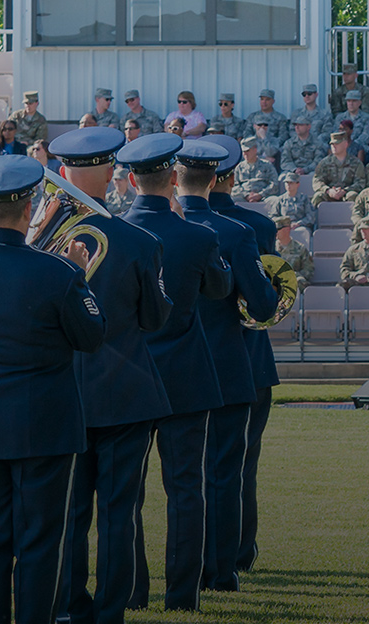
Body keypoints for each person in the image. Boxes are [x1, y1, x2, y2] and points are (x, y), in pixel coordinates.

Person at [0, 154, 106, 624]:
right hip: (42, 427)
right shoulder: (57, 273)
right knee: (39, 546)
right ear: (31, 207)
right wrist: (79, 275)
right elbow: (91, 338)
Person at [45, 127, 175, 624]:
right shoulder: (141, 241)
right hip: (127, 396)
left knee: (69, 515)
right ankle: (110, 612)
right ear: (111, 173)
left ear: (62, 175)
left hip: (65, 397)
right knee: (120, 515)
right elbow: (155, 319)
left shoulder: (40, 245)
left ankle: (68, 608)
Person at [117, 133, 234, 611]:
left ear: (130, 180)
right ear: (171, 179)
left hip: (131, 375)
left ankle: (133, 591)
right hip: (186, 374)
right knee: (187, 489)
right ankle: (182, 596)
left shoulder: (115, 232)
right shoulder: (200, 235)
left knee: (128, 493)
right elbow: (221, 288)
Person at [178, 137, 279, 594]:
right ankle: (231, 557)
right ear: (228, 177)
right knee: (235, 467)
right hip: (238, 358)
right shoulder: (252, 226)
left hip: (174, 363)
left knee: (180, 475)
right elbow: (263, 305)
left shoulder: (151, 226)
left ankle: (181, 571)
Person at [312, 132, 365, 205]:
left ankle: (354, 216)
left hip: (346, 194)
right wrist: (328, 190)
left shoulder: (356, 163)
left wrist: (344, 191)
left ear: (345, 144)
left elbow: (360, 182)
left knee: (353, 196)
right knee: (318, 196)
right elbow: (317, 181)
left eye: (337, 144)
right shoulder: (324, 163)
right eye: (332, 144)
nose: (334, 146)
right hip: (329, 194)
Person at [231, 136, 280, 202]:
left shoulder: (267, 165)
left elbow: (274, 184)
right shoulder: (239, 167)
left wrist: (260, 194)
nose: (245, 154)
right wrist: (246, 195)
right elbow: (234, 186)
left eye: (247, 151)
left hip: (263, 198)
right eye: (243, 151)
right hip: (244, 198)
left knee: (275, 200)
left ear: (255, 150)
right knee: (232, 200)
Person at [274, 215, 313, 289]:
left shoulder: (300, 248)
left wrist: (295, 275)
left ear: (287, 229)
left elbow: (309, 270)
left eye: (278, 229)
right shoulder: (271, 248)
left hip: (294, 284)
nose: (275, 232)